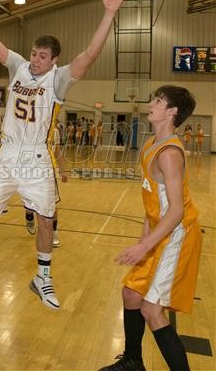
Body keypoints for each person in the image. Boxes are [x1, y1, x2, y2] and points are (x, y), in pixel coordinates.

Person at [0, 0, 127, 309]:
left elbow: (91, 53)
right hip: (9, 151)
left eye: (42, 56)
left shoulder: (59, 78)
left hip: (37, 156)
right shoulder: (17, 66)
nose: (35, 60)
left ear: (54, 60)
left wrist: (109, 14)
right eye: (33, 53)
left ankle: (42, 277)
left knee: (46, 217)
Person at [99, 85, 201, 371]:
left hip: (177, 235)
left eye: (158, 100)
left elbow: (177, 211)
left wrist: (145, 245)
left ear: (172, 112)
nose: (151, 103)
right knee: (131, 294)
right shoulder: (149, 145)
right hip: (159, 234)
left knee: (152, 310)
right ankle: (133, 361)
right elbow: (152, 201)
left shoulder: (169, 154)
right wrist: (144, 242)